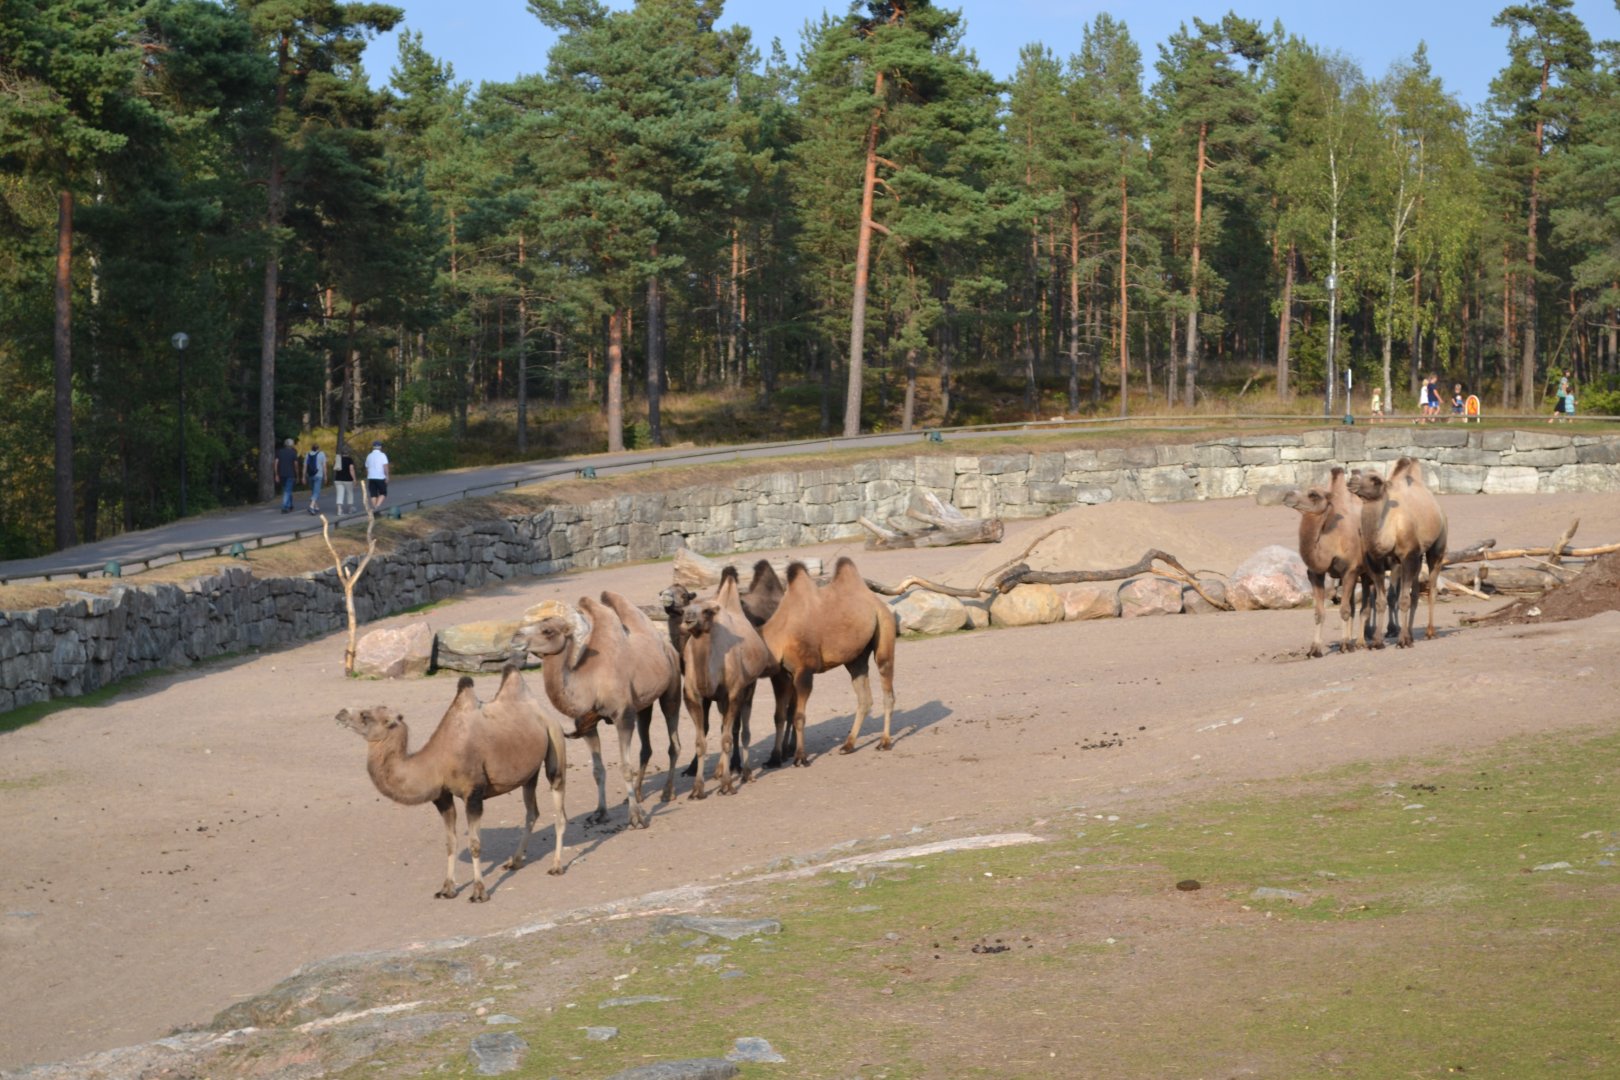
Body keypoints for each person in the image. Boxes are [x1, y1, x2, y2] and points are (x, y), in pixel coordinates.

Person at [365, 439, 390, 511]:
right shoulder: (382, 455)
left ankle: (374, 507)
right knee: (383, 492)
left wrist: (368, 475)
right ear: (380, 447)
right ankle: (377, 507)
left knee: (373, 493)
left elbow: (367, 467)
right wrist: (387, 476)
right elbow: (385, 466)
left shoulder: (369, 456)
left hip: (371, 477)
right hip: (380, 477)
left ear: (373, 447)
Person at [275, 437, 299, 512]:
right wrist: (297, 474)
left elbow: (276, 463)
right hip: (290, 474)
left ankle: (290, 505)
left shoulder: (279, 452)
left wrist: (276, 474)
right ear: (292, 445)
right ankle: (285, 507)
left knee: (287, 490)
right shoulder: (293, 452)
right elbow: (296, 465)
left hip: (282, 473)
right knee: (287, 491)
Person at [332, 444, 357, 516]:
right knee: (350, 493)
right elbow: (351, 469)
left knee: (340, 494)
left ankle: (339, 510)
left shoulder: (338, 459)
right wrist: (354, 479)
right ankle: (350, 509)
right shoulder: (350, 460)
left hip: (338, 479)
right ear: (348, 452)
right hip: (348, 479)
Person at [305, 444, 327, 515]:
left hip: (310, 475)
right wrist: (325, 475)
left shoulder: (307, 454)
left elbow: (305, 465)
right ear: (318, 448)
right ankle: (311, 506)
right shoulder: (321, 454)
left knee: (313, 491)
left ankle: (316, 507)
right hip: (318, 474)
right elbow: (324, 466)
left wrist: (303, 475)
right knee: (316, 491)